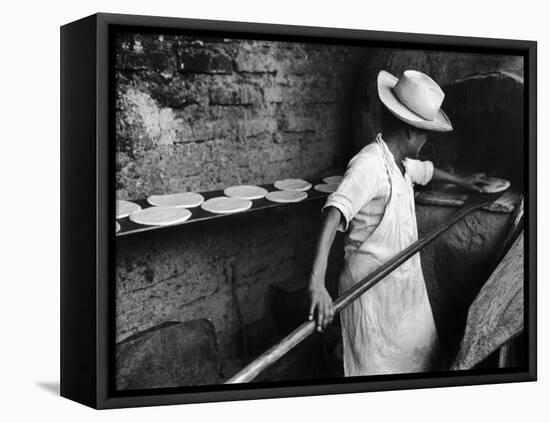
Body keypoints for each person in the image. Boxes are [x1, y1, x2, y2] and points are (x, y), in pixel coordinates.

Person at [308, 69, 486, 375]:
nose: (426, 139)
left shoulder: (398, 162)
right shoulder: (370, 164)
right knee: (377, 370)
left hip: (401, 284)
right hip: (371, 293)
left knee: (416, 360)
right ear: (408, 132)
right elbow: (334, 211)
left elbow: (425, 171)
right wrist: (316, 284)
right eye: (424, 132)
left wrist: (463, 181)